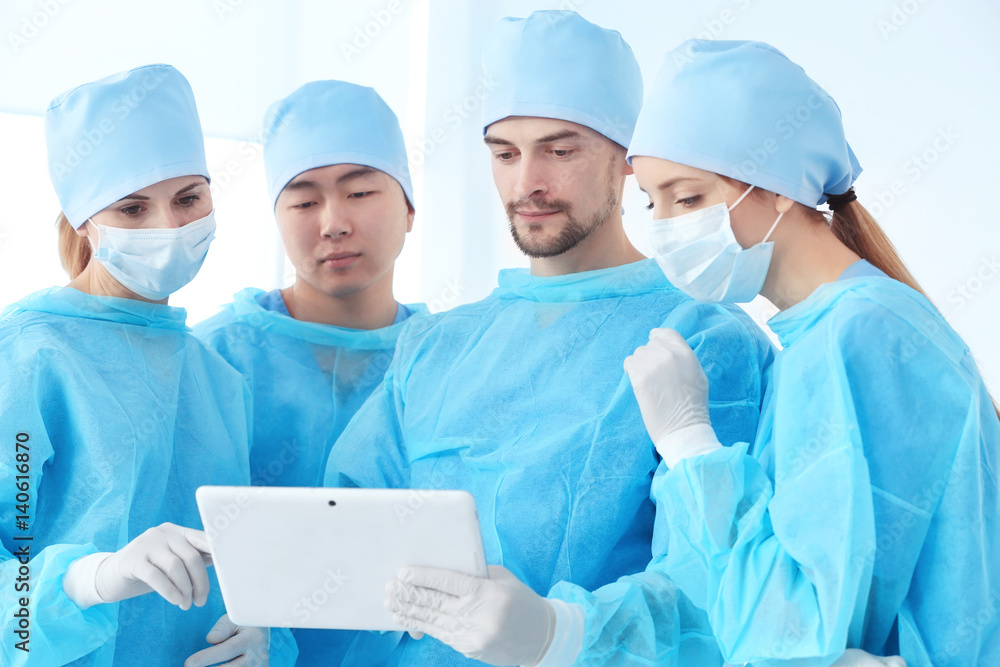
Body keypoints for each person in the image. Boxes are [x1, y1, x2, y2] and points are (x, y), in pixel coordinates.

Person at [324, 11, 776, 666]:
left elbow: (723, 591)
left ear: (628, 161)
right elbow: (346, 539)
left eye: (560, 151)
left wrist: (559, 633)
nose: (526, 182)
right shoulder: (433, 347)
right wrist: (274, 623)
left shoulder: (700, 339)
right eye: (505, 153)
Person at [624, 39, 1000, 667]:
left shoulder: (860, 336)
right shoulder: (830, 332)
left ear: (778, 188)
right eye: (650, 201)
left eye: (686, 198)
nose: (664, 228)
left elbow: (794, 635)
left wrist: (692, 448)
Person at [0, 64, 295, 666]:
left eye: (189, 198)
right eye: (133, 209)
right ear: (85, 223)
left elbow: (242, 556)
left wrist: (263, 629)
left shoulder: (215, 377)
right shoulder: (29, 355)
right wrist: (89, 581)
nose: (169, 227)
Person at [194, 79, 427, 664]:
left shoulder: (447, 359)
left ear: (409, 208)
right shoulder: (215, 358)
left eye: (360, 192)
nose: (332, 223)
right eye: (302, 200)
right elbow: (170, 537)